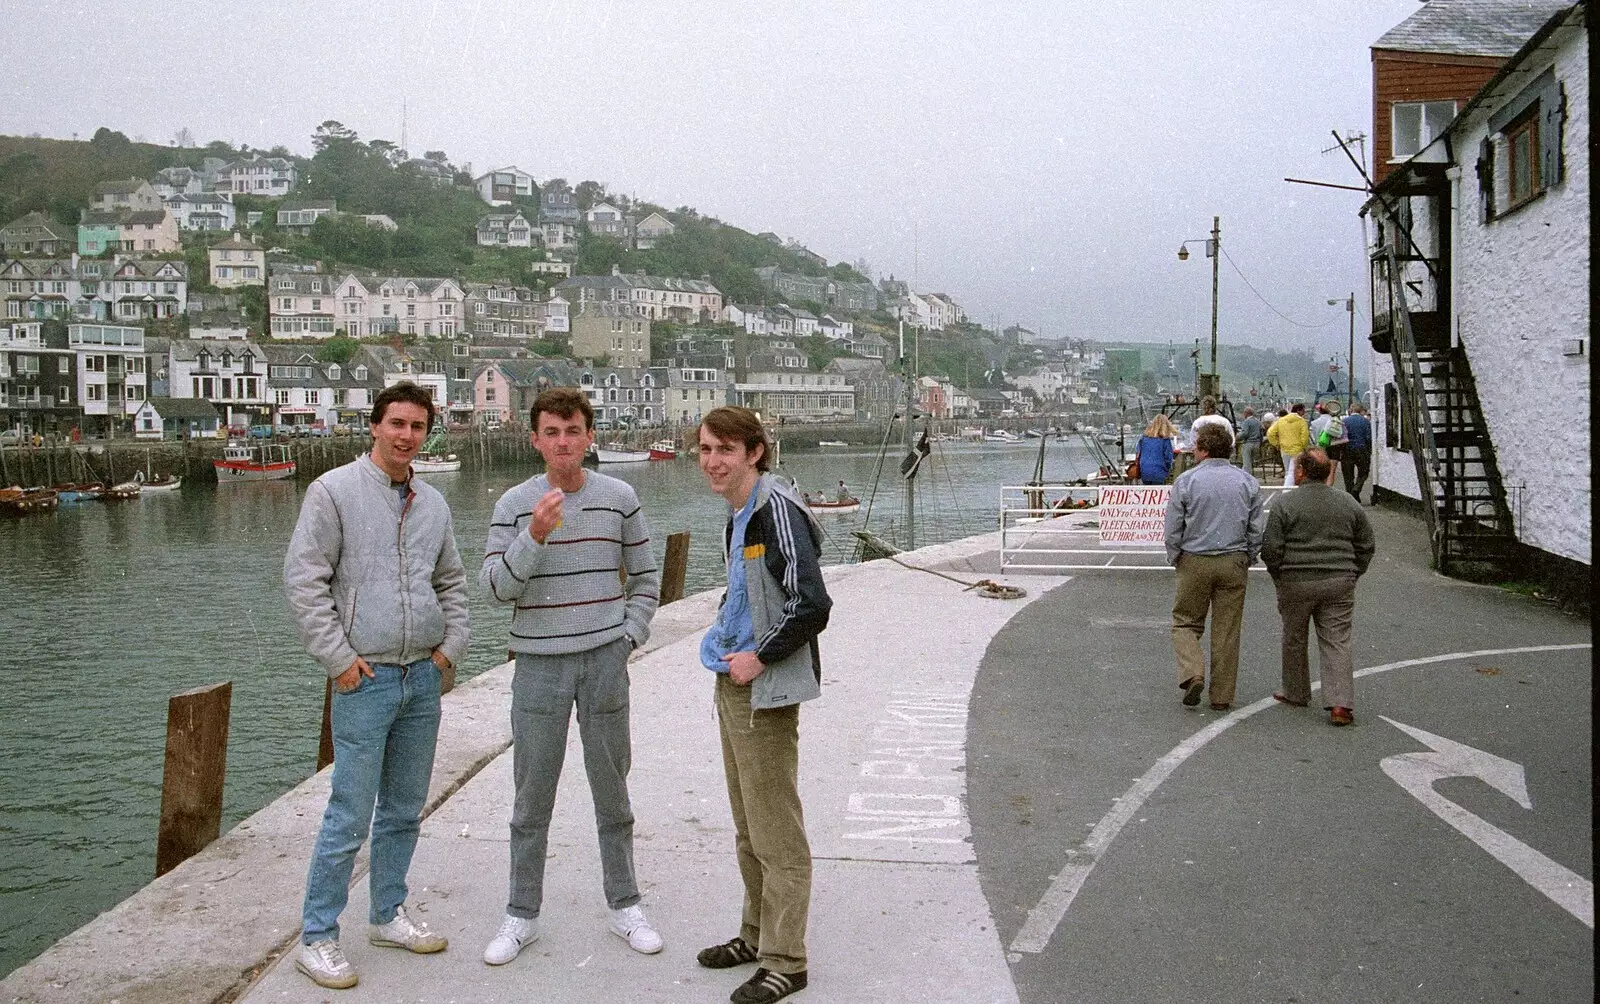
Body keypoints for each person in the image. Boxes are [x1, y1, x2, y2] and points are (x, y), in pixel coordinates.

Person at [283, 381, 470, 990]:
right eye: (396, 423)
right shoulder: (332, 492)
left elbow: (452, 584)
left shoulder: (434, 504)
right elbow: (305, 583)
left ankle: (387, 912)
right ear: (374, 426)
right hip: (364, 679)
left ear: (426, 433)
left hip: (422, 677)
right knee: (348, 814)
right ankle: (317, 937)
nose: (405, 436)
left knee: (403, 811)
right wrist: (338, 659)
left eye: (417, 426)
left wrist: (449, 651)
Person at [479, 387, 663, 967]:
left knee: (613, 788)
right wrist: (533, 535)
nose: (563, 443)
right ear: (535, 440)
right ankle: (521, 914)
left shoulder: (620, 497)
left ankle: (625, 905)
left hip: (604, 660)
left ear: (590, 437)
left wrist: (627, 635)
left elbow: (646, 578)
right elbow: (494, 591)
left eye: (573, 431)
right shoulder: (513, 504)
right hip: (536, 665)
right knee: (531, 796)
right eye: (552, 433)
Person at [695, 406, 832, 1004]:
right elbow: (748, 592)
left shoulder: (775, 508)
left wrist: (761, 657)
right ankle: (754, 936)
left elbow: (812, 603)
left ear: (755, 451)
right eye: (704, 449)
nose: (712, 462)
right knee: (748, 824)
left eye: (725, 449)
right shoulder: (738, 516)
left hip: (764, 686)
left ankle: (786, 959)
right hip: (734, 678)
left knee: (777, 830)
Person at [1262, 449, 1375, 726]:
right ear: (1326, 474)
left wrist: (1279, 574)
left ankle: (1296, 691)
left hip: (1296, 579)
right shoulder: (1348, 503)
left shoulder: (1284, 504)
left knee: (1294, 637)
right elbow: (1366, 545)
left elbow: (1271, 548)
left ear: (1300, 471)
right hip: (1339, 579)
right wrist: (1353, 572)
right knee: (1336, 639)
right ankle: (1340, 704)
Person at [1164, 423, 1265, 712]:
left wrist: (1175, 556)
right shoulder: (1247, 482)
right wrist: (1249, 554)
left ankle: (1193, 672)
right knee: (1227, 629)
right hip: (1233, 559)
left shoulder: (1185, 481)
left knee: (1185, 621)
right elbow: (1255, 527)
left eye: (1196, 446)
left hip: (1194, 558)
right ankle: (1221, 696)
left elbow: (1173, 527)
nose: (1193, 450)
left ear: (1204, 449)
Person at [1266, 402, 1310, 488]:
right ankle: (1291, 489)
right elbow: (1305, 437)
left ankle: (1287, 489)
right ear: (1298, 411)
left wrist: (1276, 444)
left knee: (1287, 471)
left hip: (1284, 449)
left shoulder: (1281, 420)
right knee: (1295, 471)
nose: (1304, 413)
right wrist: (1304, 448)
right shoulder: (1302, 421)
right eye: (1303, 411)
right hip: (1297, 450)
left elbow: (1270, 433)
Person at [1340, 402, 1373, 502]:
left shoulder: (1344, 421)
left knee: (1348, 474)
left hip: (1347, 449)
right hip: (1362, 449)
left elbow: (1341, 436)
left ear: (1351, 410)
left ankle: (1350, 496)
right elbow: (1369, 437)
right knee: (1364, 472)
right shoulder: (1366, 422)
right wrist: (1369, 450)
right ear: (1361, 411)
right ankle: (1356, 489)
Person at [1135, 414, 1177, 485]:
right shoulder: (1165, 440)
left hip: (1144, 471)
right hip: (1159, 471)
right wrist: (1168, 469)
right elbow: (1168, 458)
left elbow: (1138, 452)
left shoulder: (1144, 438)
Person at [1309, 398, 1347, 467]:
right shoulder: (1335, 421)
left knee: (1322, 468)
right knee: (1332, 470)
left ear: (1319, 411)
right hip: (1334, 446)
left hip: (1321, 446)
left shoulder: (1314, 423)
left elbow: (1315, 437)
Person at [1236, 407, 1263, 473]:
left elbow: (1245, 433)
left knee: (1246, 463)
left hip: (1248, 444)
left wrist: (1237, 436)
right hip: (1257, 444)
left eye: (1244, 413)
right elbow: (1262, 432)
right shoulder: (1258, 421)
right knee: (1252, 462)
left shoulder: (1246, 422)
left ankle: (1247, 476)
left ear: (1246, 413)